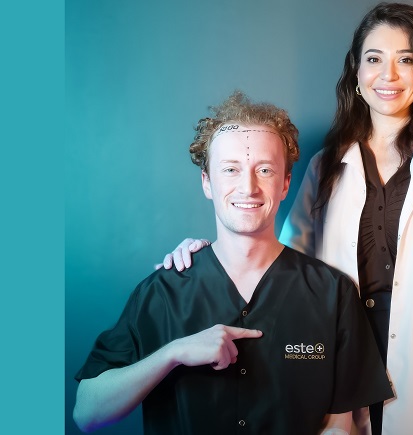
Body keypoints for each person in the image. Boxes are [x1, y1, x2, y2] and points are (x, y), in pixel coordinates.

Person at [160, 3, 413, 435]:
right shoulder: (327, 165)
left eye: (406, 59)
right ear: (357, 73)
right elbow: (283, 259)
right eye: (374, 59)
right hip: (342, 350)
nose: (388, 75)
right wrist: (211, 255)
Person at [73, 91, 394, 435]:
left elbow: (339, 426)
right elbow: (87, 414)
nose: (248, 187)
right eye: (230, 170)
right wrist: (173, 353)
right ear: (207, 183)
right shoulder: (163, 291)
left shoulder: (333, 293)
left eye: (265, 170)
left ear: (285, 184)